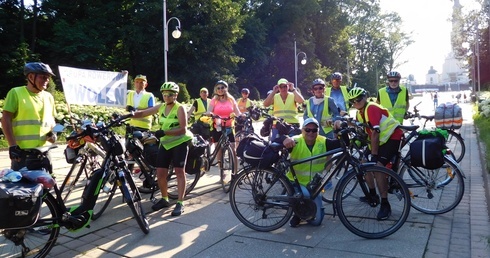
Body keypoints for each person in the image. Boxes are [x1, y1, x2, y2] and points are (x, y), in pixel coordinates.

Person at [132, 82, 192, 216]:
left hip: (179, 142)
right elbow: (143, 113)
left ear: (176, 95)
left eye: (170, 94)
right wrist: (128, 115)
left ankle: (180, 202)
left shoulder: (179, 108)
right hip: (165, 143)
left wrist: (165, 132)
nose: (166, 97)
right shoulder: (161, 106)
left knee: (179, 172)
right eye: (164, 94)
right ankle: (164, 198)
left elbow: (183, 129)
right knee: (160, 173)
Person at [348, 87, 403, 220]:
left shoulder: (371, 108)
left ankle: (385, 204)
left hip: (392, 137)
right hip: (380, 141)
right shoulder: (359, 113)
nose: (356, 102)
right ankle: (373, 195)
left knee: (377, 168)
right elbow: (365, 132)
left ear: (365, 97)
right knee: (364, 164)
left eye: (359, 99)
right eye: (352, 101)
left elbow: (375, 132)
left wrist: (374, 154)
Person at [281, 118, 340, 227]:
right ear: (302, 130)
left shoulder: (323, 141)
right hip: (296, 183)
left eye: (314, 130)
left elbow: (342, 143)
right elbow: (277, 141)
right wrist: (284, 138)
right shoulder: (296, 141)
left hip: (314, 186)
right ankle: (297, 213)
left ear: (318, 131)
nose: (311, 133)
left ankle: (304, 211)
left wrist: (338, 130)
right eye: (307, 130)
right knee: (306, 195)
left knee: (317, 222)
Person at [2, 62, 57, 172]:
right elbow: (5, 119)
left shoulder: (48, 97)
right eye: (43, 77)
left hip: (44, 152)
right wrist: (12, 146)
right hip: (23, 154)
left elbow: (53, 121)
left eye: (48, 78)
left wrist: (54, 133)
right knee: (22, 188)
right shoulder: (16, 93)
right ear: (31, 77)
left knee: (47, 186)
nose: (47, 80)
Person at [206, 80, 242, 181]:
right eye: (218, 88)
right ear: (215, 90)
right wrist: (209, 113)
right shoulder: (214, 100)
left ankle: (235, 174)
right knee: (219, 151)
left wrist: (242, 116)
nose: (220, 90)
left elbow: (237, 112)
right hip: (217, 126)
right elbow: (209, 110)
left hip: (229, 126)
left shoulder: (231, 99)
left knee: (233, 150)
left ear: (226, 89)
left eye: (222, 87)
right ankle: (221, 173)